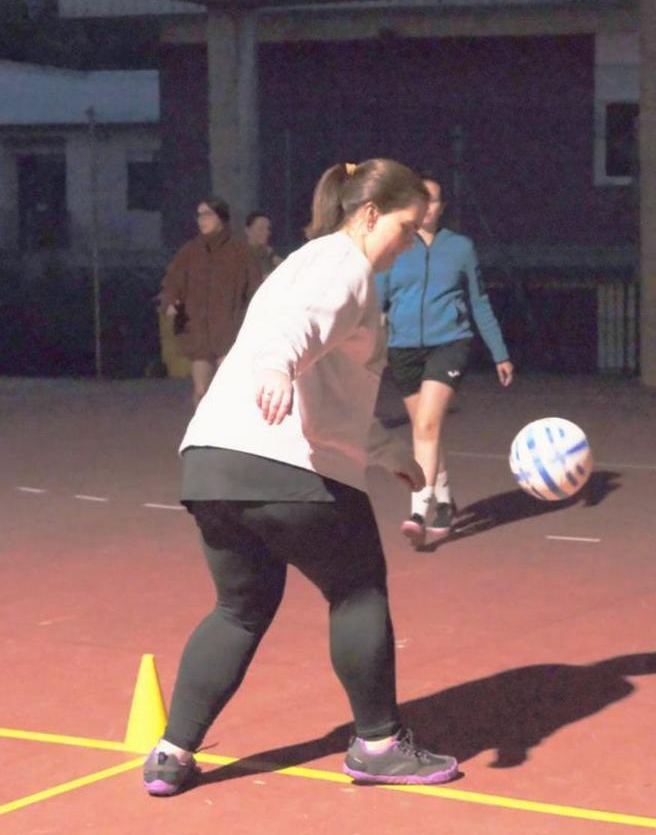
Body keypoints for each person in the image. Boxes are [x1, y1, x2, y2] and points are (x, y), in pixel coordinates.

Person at [142, 160, 459, 797]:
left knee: (240, 608)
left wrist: (389, 450)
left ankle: (171, 753)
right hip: (286, 465)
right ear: (369, 214)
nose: (410, 243)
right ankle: (378, 745)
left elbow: (331, 390)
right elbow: (298, 326)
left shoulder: (303, 263)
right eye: (406, 228)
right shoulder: (342, 266)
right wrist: (278, 367)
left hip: (211, 462)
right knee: (358, 590)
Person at [376, 173, 514, 547]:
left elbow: (479, 302)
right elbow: (375, 302)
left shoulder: (460, 248)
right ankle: (446, 499)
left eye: (434, 200)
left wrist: (499, 352)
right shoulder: (396, 245)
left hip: (449, 343)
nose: (427, 207)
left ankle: (419, 509)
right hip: (404, 348)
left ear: (442, 207)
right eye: (421, 200)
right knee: (426, 431)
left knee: (426, 424)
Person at [159, 197, 263, 406]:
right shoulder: (190, 251)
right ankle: (202, 425)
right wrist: (170, 301)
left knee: (227, 391)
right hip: (198, 331)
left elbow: (255, 290)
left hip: (230, 332)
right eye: (199, 215)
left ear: (221, 218)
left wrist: (252, 320)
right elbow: (173, 281)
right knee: (201, 391)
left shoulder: (240, 252)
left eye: (207, 214)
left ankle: (227, 426)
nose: (202, 220)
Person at [245, 210, 283, 277]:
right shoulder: (240, 254)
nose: (266, 232)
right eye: (261, 228)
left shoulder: (268, 253)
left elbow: (288, 268)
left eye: (268, 228)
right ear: (248, 230)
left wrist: (272, 255)